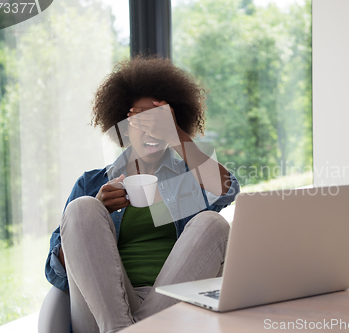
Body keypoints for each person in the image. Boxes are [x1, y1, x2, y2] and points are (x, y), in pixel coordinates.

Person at [45, 56, 240, 333]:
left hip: (170, 309)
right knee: (82, 208)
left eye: (158, 120)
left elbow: (227, 189)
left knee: (213, 222)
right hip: (103, 312)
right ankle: (122, 328)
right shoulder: (92, 183)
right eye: (141, 120)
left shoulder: (187, 180)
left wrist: (176, 136)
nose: (151, 129)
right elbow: (57, 273)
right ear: (122, 126)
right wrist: (97, 214)